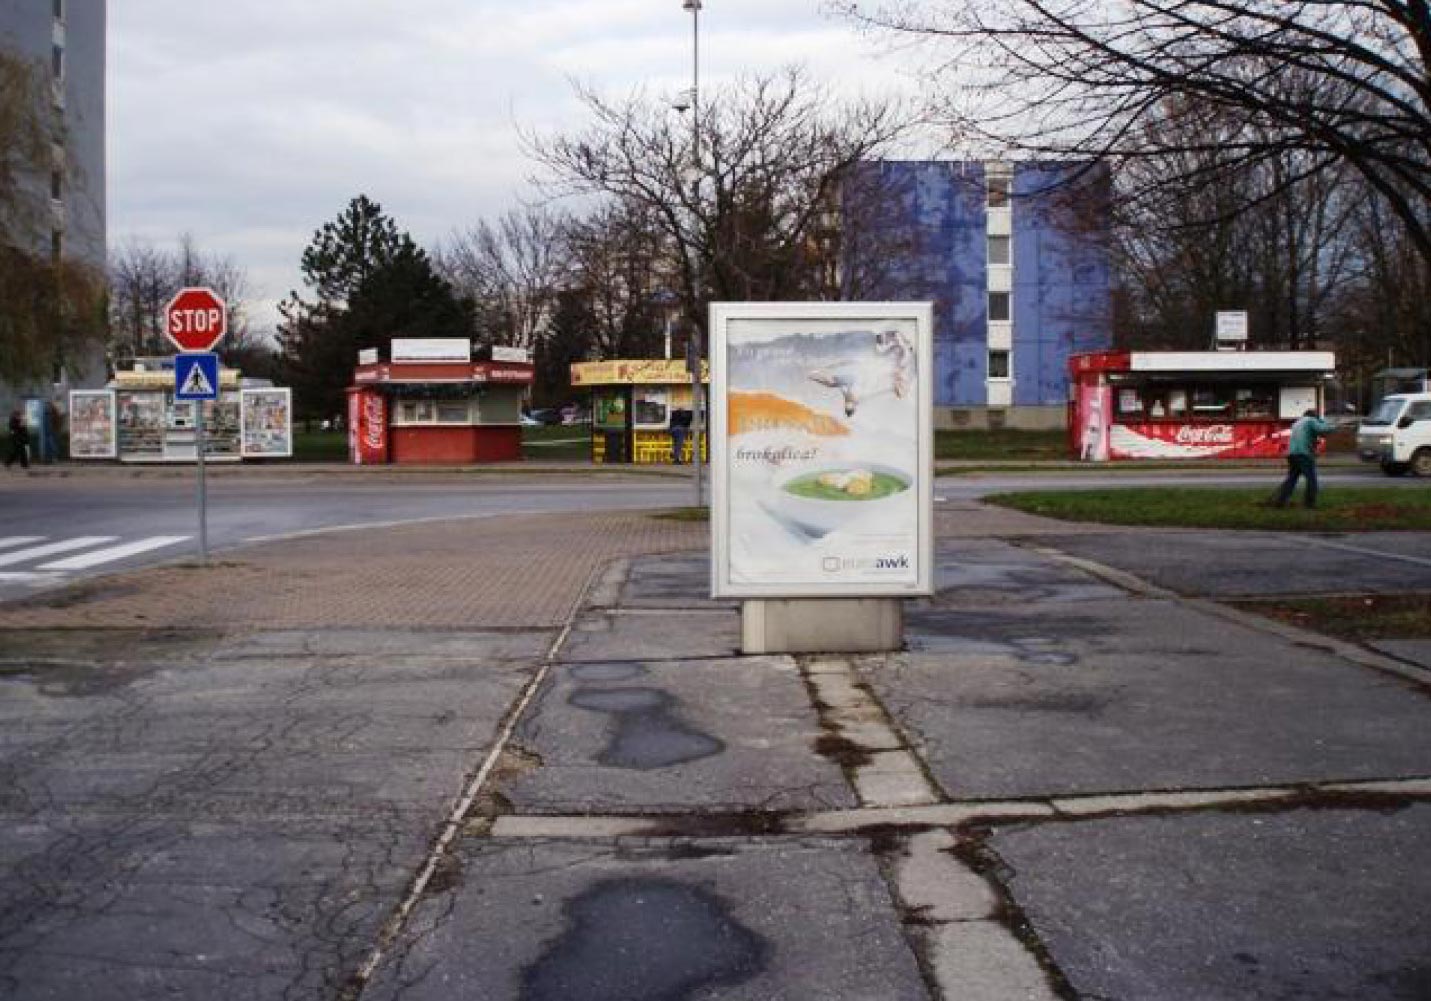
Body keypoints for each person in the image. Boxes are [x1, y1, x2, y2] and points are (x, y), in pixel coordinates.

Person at [1271, 408, 1335, 508]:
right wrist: (1330, 425)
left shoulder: (1297, 423)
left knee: (1292, 479)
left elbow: (1310, 435)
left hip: (1292, 454)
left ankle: (1280, 501)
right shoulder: (1310, 421)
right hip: (1304, 454)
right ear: (1314, 416)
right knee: (1311, 480)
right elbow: (1323, 430)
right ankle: (1309, 503)